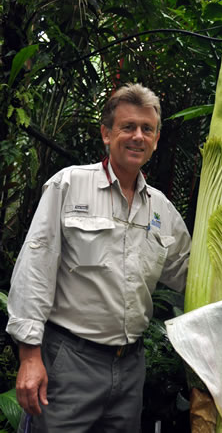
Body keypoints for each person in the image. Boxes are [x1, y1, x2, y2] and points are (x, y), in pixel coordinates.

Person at [6, 83, 191, 433]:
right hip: (69, 361)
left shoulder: (161, 209)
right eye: (128, 127)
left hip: (131, 367)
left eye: (146, 129)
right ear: (106, 133)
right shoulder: (69, 185)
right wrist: (30, 356)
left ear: (156, 138)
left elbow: (192, 273)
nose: (137, 136)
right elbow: (35, 268)